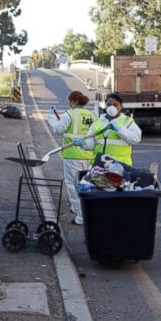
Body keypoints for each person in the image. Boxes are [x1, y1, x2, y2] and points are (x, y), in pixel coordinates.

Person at [47, 91, 96, 225]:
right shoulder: (91, 115)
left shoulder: (69, 114)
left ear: (73, 101)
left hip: (73, 155)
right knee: (86, 185)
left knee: (73, 185)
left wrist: (51, 117)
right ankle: (82, 209)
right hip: (89, 155)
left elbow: (58, 129)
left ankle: (80, 216)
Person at [78, 92, 142, 166]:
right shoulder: (98, 122)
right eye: (109, 105)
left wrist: (120, 130)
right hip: (99, 165)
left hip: (120, 166)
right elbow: (92, 144)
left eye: (115, 105)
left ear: (120, 106)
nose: (112, 107)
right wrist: (84, 144)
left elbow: (136, 138)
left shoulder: (127, 121)